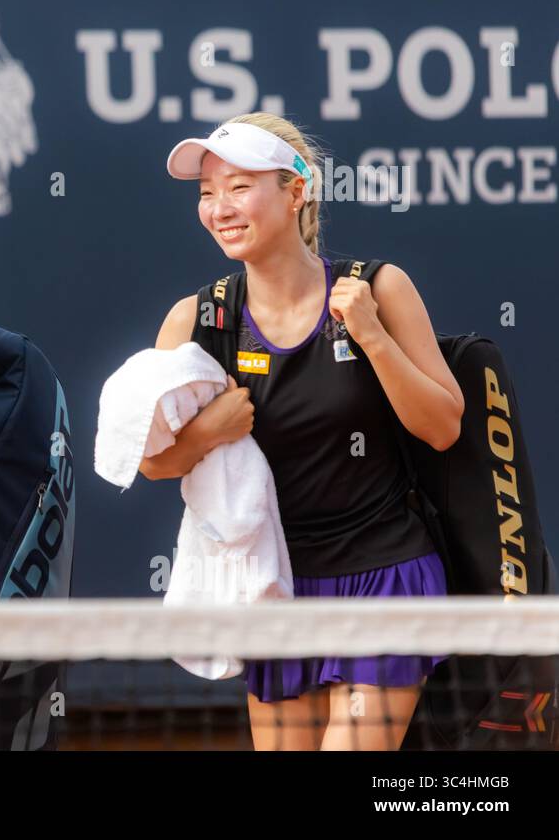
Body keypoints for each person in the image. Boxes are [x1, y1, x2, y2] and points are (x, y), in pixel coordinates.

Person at [141, 113, 463, 750]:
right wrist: (209, 430)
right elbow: (152, 461)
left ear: (296, 191)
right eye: (207, 192)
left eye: (238, 186)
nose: (218, 207)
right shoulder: (196, 320)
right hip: (275, 589)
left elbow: (444, 426)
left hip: (386, 576)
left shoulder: (380, 288)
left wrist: (370, 335)